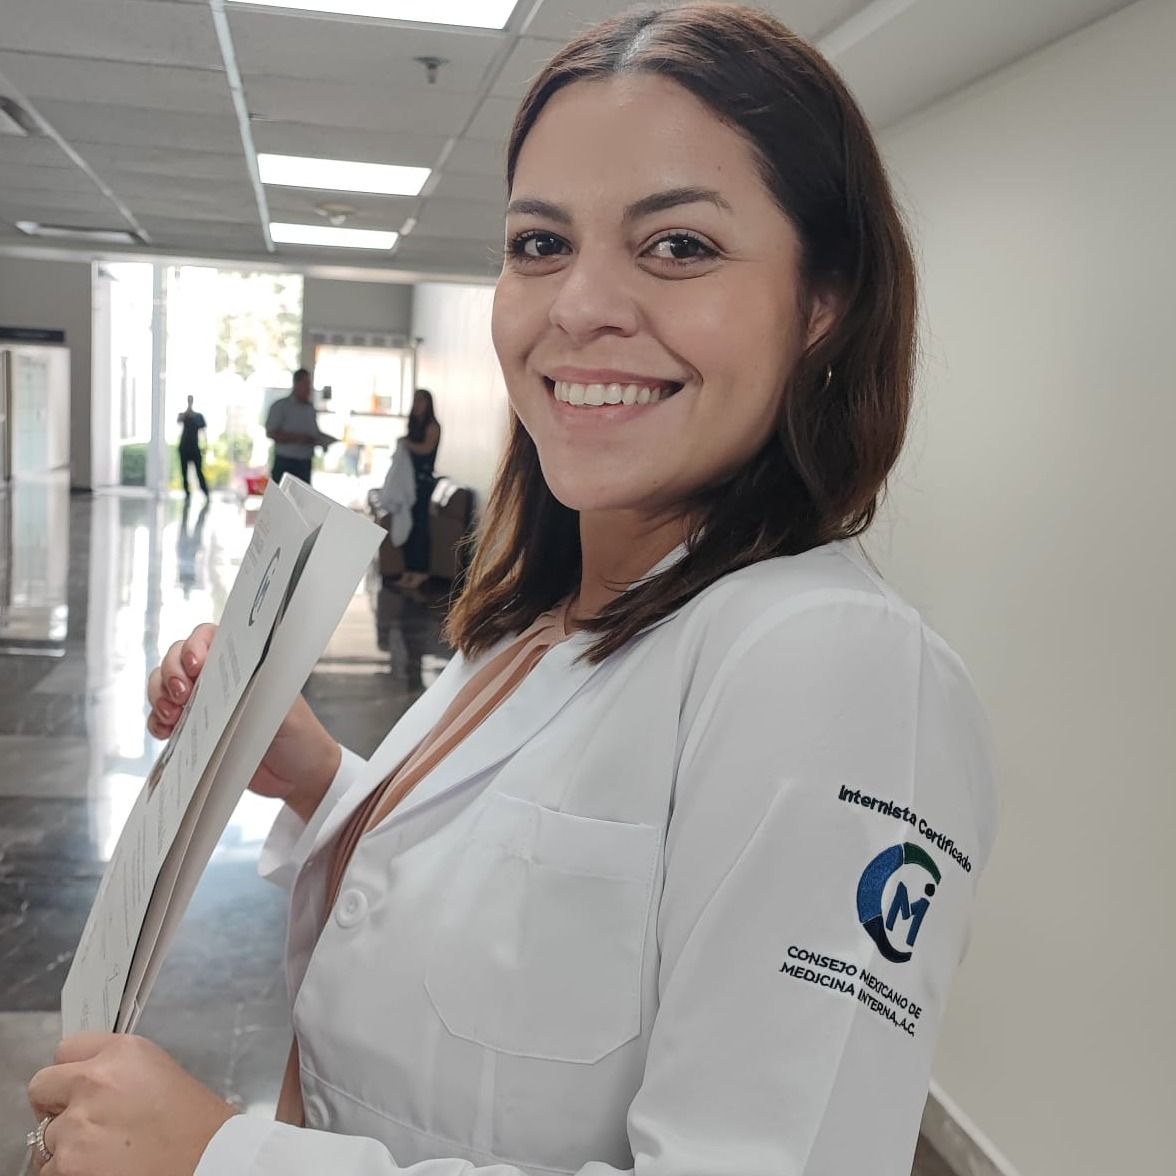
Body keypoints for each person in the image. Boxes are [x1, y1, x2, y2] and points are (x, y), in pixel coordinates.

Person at [28, 7, 998, 1176]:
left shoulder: (838, 669)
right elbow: (533, 922)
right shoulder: (548, 617)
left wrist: (218, 1162)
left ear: (824, 302)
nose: (578, 305)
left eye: (677, 245)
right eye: (540, 242)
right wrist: (325, 782)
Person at [397, 388, 441, 589]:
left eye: (421, 401)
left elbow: (426, 449)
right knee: (408, 524)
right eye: (415, 401)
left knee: (420, 525)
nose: (417, 405)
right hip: (409, 481)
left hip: (423, 482)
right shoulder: (414, 424)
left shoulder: (433, 426)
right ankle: (409, 569)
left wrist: (406, 444)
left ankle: (421, 571)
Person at [265, 368, 332, 485]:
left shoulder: (309, 409)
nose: (309, 388)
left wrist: (322, 441)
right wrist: (298, 438)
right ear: (296, 384)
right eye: (306, 384)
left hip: (305, 463)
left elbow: (313, 432)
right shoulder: (281, 406)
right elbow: (271, 432)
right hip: (286, 462)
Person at [176, 395, 208, 499]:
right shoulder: (184, 415)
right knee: (184, 472)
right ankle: (187, 493)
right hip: (184, 447)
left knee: (199, 471)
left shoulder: (198, 416)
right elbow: (179, 420)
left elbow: (203, 431)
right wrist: (187, 410)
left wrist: (205, 445)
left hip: (194, 447)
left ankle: (205, 492)